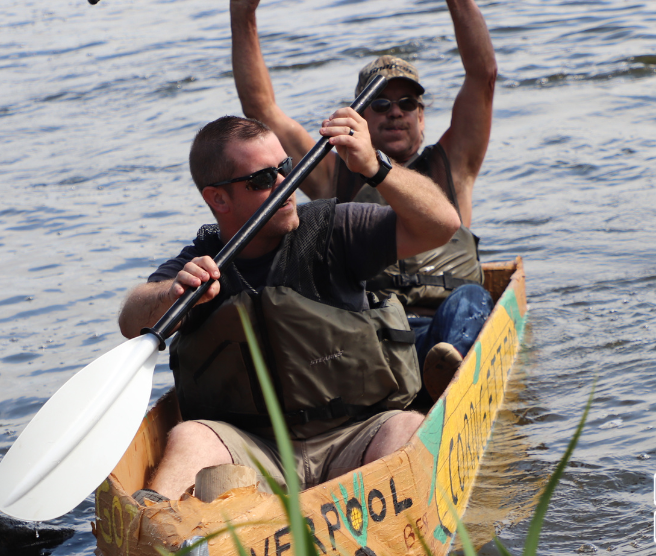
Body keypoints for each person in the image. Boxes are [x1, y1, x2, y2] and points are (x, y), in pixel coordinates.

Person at [117, 113, 460, 500]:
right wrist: (170, 295)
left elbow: (443, 224)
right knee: (188, 435)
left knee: (408, 429)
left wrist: (375, 166)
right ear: (218, 198)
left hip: (355, 434)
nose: (286, 185)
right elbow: (131, 320)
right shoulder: (200, 263)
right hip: (254, 448)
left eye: (287, 168)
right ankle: (162, 540)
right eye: (263, 179)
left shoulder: (336, 230)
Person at [227, 0, 498, 389]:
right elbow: (261, 110)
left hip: (448, 323)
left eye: (407, 103)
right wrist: (244, 12)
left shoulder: (454, 163)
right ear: (361, 118)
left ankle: (446, 376)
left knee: (472, 298)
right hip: (375, 330)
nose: (395, 113)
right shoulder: (335, 171)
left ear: (422, 117)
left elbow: (482, 76)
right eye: (381, 104)